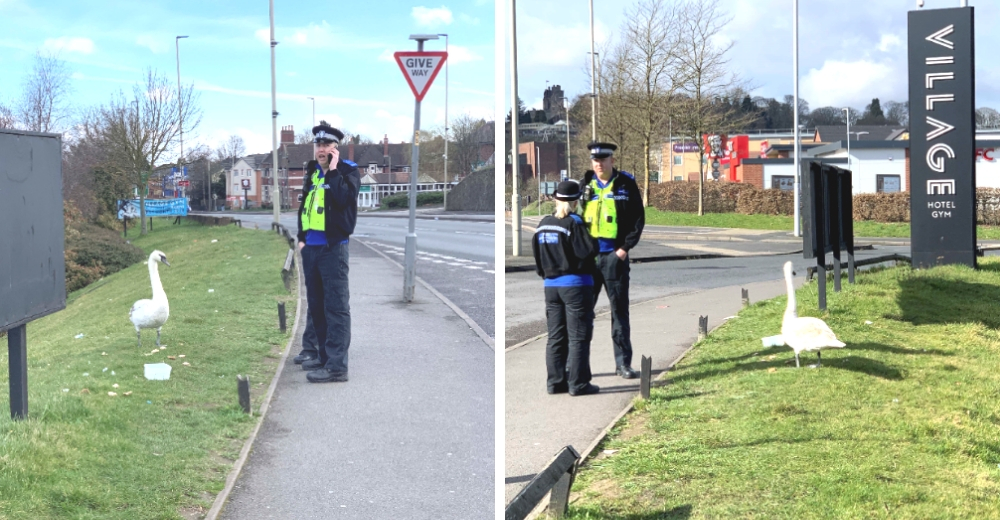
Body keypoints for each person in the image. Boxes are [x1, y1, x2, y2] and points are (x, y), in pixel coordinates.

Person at [296, 121, 360, 383]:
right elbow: (305, 208)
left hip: (333, 249)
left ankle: (337, 367)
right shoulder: (312, 172)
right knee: (317, 307)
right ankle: (323, 357)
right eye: (318, 145)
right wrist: (301, 239)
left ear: (336, 148)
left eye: (326, 145)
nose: (321, 149)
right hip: (311, 249)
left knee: (336, 308)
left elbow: (343, 199)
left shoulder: (348, 171)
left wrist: (333, 171)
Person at [579, 142, 645, 379]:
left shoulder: (625, 184)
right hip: (588, 260)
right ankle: (578, 367)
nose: (598, 164)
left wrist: (624, 249)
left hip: (614, 258)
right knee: (583, 313)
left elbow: (638, 219)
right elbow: (577, 219)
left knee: (619, 311)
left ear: (612, 161)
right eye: (595, 161)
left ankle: (623, 364)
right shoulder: (585, 184)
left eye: (603, 160)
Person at [532, 180, 600, 396]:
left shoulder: (543, 224)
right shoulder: (574, 223)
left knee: (555, 336)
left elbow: (537, 256)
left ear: (555, 198)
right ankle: (578, 384)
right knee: (579, 336)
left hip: (550, 287)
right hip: (576, 286)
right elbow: (588, 251)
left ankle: (555, 382)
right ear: (576, 201)